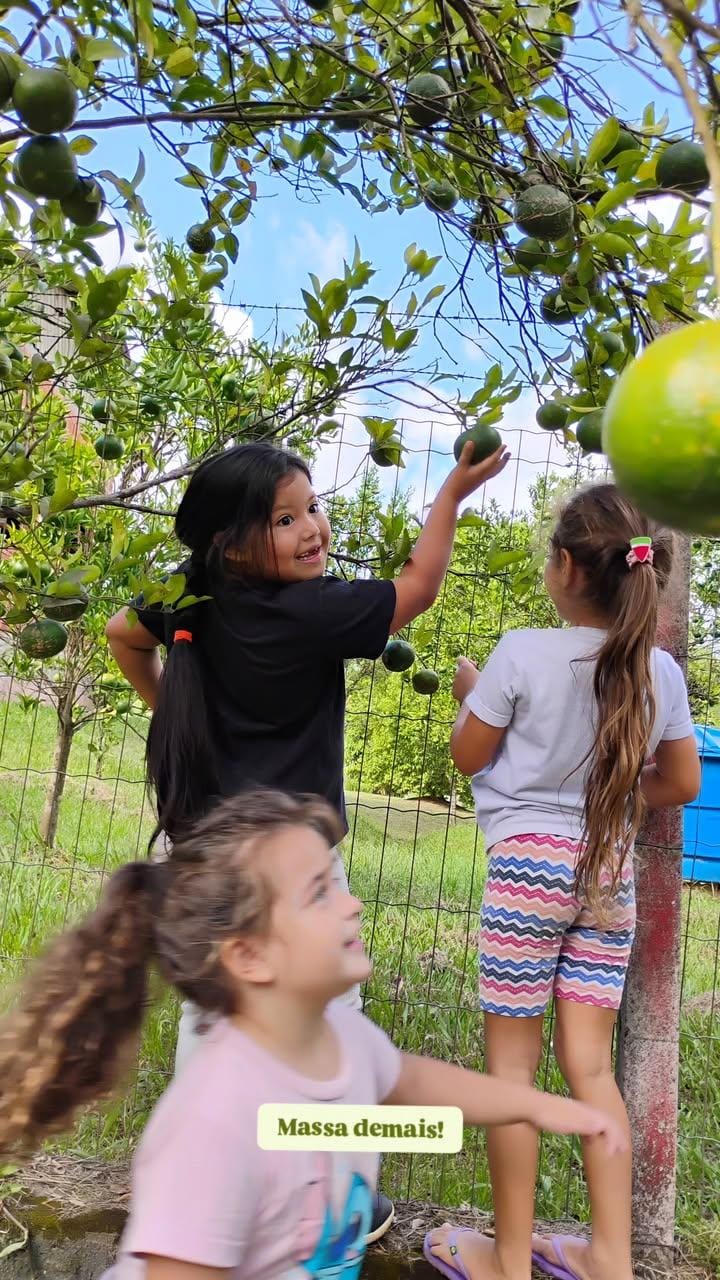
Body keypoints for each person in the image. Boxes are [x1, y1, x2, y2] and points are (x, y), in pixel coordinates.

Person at [105, 437, 509, 1243]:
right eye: (286, 518)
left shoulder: (190, 597)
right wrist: (451, 494)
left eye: (313, 507)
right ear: (235, 542)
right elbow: (418, 586)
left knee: (215, 1020)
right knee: (329, 1026)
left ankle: (201, 1200)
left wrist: (179, 722)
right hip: (296, 866)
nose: (312, 528)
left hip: (209, 856)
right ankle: (335, 1214)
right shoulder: (314, 611)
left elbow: (122, 633)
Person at [0, 790, 628, 1280]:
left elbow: (409, 1081)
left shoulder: (341, 1044)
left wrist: (538, 1104)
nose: (351, 905)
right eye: (319, 893)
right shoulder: (214, 1121)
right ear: (250, 957)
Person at [425, 484, 701, 1280]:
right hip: (605, 873)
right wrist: (611, 798)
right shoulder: (659, 674)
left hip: (526, 873)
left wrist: (471, 693)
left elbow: (470, 757)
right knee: (591, 1067)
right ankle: (610, 1260)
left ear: (566, 567)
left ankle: (509, 1261)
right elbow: (680, 781)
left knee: (512, 1072)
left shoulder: (519, 652)